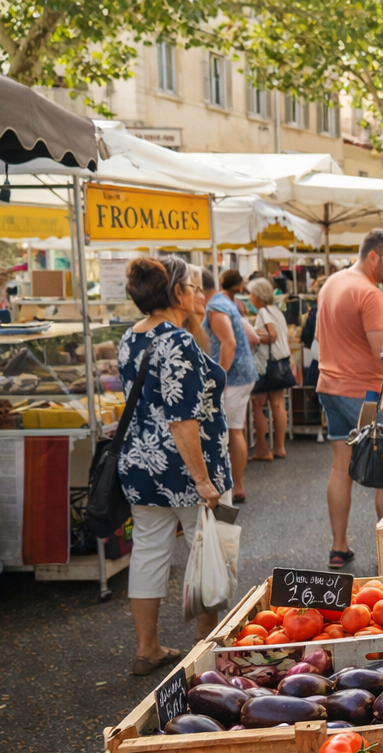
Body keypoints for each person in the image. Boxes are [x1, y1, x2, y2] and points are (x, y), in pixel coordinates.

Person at [116, 256, 232, 675]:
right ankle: (206, 648)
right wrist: (202, 479)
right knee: (210, 551)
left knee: (148, 552)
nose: (201, 295)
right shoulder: (177, 342)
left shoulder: (132, 336)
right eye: (195, 288)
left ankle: (147, 648)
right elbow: (182, 418)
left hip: (141, 463)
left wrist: (194, 320)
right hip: (186, 467)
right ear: (177, 292)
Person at [315, 228, 383, 568]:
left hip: (330, 387)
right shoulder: (369, 293)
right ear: (373, 256)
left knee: (340, 467)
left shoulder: (332, 282)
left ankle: (339, 547)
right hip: (364, 390)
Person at [203, 269, 258, 503]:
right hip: (244, 373)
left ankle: (233, 487)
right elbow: (249, 336)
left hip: (233, 376)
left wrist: (220, 377)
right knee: (237, 429)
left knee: (231, 431)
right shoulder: (227, 303)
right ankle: (237, 485)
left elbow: (229, 343)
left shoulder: (216, 306)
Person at [248, 277, 290, 461]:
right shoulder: (276, 311)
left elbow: (271, 335)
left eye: (251, 294)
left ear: (258, 296)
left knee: (258, 404)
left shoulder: (263, 312)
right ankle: (279, 447)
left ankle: (263, 450)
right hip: (281, 361)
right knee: (278, 404)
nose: (250, 298)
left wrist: (252, 334)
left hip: (266, 364)